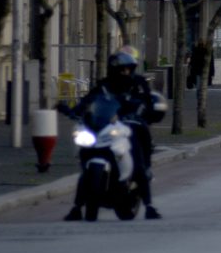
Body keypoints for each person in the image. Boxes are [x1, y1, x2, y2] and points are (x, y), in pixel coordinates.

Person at [63, 48, 165, 220]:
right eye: (122, 69)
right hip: (106, 124)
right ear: (113, 70)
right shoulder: (104, 85)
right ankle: (77, 207)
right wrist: (75, 110)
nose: (125, 72)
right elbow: (90, 99)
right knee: (85, 152)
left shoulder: (138, 82)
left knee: (138, 151)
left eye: (128, 69)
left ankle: (149, 206)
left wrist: (139, 107)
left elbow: (146, 100)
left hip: (130, 122)